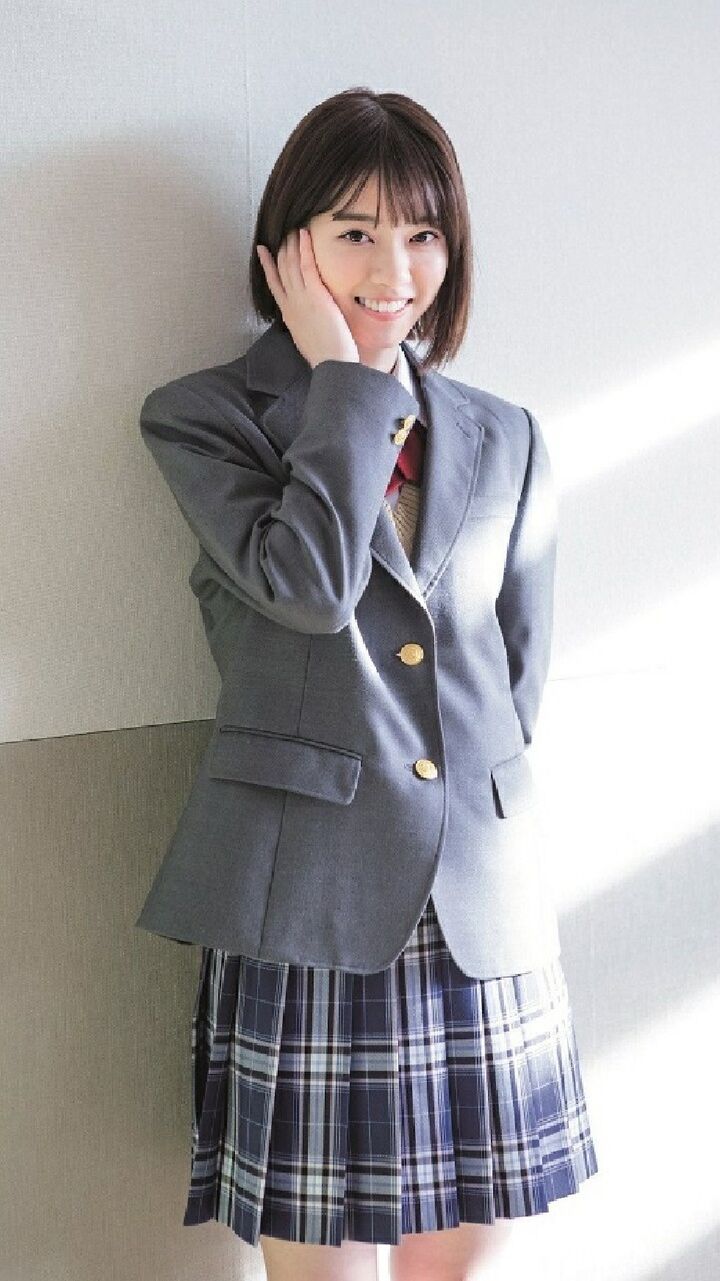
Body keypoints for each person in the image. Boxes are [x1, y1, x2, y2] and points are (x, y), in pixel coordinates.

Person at [135, 87, 599, 1281]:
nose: (394, 270)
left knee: (464, 1261)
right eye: (354, 232)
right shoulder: (207, 417)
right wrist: (348, 387)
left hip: (481, 906)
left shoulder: (506, 435)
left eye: (423, 234)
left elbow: (517, 674)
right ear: (286, 247)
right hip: (313, 907)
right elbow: (307, 589)